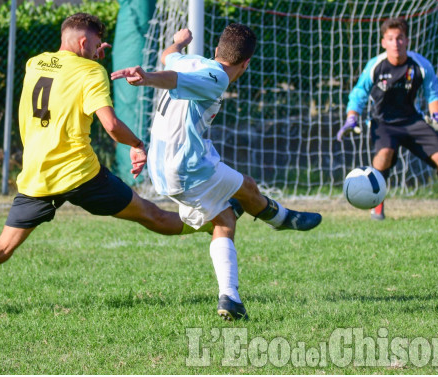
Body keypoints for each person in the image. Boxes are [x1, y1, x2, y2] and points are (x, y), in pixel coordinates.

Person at [0, 13, 214, 318]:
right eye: (97, 43)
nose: (100, 49)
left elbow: (64, 69)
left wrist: (90, 55)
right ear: (86, 41)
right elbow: (110, 125)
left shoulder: (35, 62)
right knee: (151, 214)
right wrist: (138, 144)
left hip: (38, 176)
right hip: (81, 175)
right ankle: (210, 223)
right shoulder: (92, 72)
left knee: (1, 249)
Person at [111, 24, 322, 321]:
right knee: (246, 188)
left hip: (165, 163)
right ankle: (281, 218)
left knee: (224, 217)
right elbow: (173, 77)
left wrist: (179, 43)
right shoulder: (216, 76)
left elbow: (169, 57)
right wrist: (147, 79)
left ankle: (230, 298)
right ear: (246, 64)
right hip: (185, 166)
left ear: (216, 51)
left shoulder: (191, 59)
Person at [336, 17, 438, 220]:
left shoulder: (420, 65)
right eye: (390, 38)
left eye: (400, 38)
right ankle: (378, 205)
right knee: (383, 157)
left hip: (413, 122)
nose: (396, 43)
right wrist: (351, 118)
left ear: (407, 40)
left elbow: (433, 92)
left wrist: (436, 116)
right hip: (383, 124)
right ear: (383, 42)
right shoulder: (376, 66)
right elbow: (359, 93)